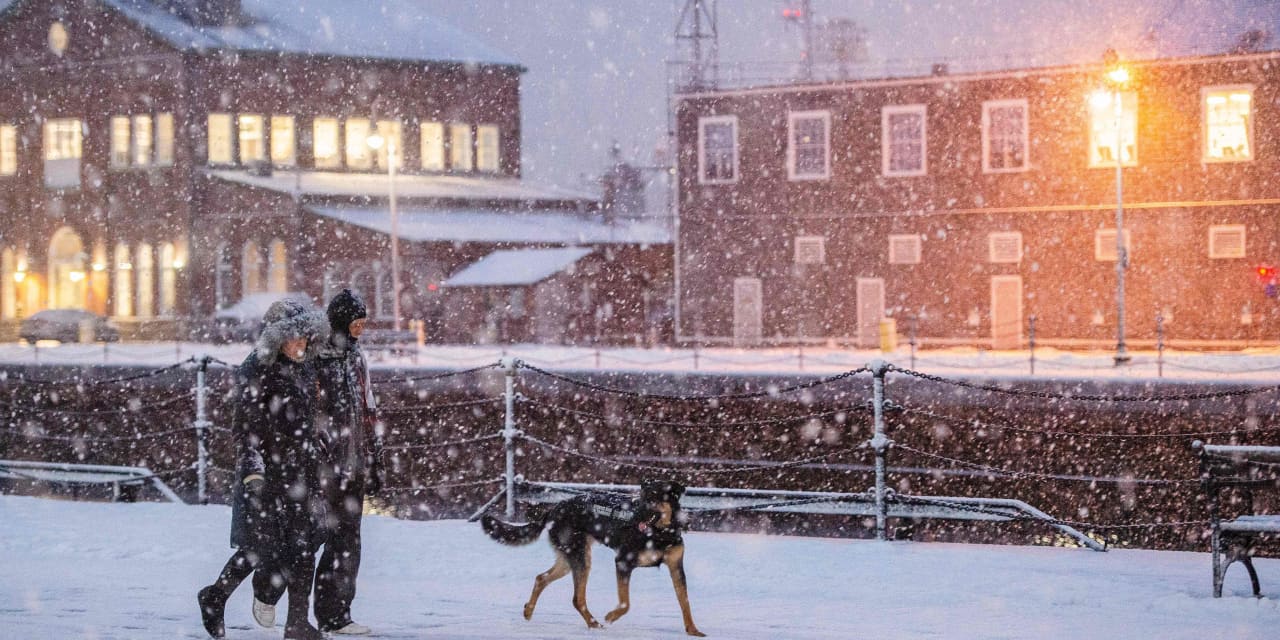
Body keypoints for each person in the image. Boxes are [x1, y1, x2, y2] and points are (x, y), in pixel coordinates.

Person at [251, 289, 383, 636]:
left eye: (362, 323)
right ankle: (269, 588)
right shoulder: (316, 360)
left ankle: (335, 614)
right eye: (355, 323)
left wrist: (374, 456)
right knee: (308, 536)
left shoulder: (356, 359)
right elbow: (307, 410)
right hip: (322, 464)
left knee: (348, 540)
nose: (359, 330)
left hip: (351, 463)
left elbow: (368, 408)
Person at [197, 299, 327, 640]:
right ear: (278, 338)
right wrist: (255, 474)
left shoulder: (304, 367)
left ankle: (297, 622)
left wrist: (319, 446)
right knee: (259, 548)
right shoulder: (257, 368)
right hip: (269, 475)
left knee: (303, 547)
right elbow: (246, 428)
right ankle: (216, 595)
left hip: (300, 472)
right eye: (296, 337)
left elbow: (308, 420)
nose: (302, 344)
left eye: (306, 337)